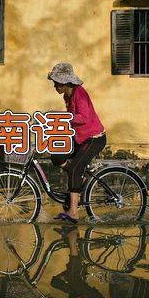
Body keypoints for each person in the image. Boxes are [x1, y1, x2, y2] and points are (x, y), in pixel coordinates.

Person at [48, 63, 106, 224]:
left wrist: (62, 118)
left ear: (67, 83)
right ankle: (79, 181)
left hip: (94, 138)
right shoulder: (67, 95)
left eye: (57, 83)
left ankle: (73, 211)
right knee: (57, 156)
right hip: (80, 138)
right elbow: (71, 120)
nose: (55, 86)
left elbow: (83, 118)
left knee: (74, 169)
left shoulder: (79, 93)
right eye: (54, 83)